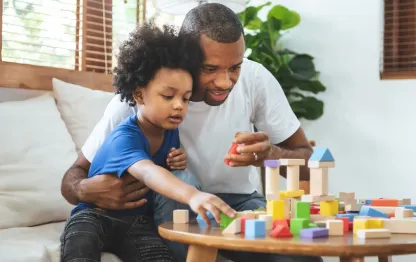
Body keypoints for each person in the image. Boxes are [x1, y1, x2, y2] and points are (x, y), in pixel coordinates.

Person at [61, 3, 321, 262]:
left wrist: (270, 155)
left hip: (239, 204)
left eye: (234, 67)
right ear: (187, 57)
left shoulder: (255, 79)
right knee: (181, 182)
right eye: (210, 69)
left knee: (303, 257)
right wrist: (86, 190)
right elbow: (74, 177)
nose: (225, 82)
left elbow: (309, 164)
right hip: (176, 207)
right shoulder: (143, 99)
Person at [59, 22, 235, 262]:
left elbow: (160, 168)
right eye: (168, 96)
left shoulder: (170, 129)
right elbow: (147, 171)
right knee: (81, 248)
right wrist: (192, 195)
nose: (178, 106)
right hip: (94, 216)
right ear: (139, 94)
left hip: (136, 223)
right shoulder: (125, 137)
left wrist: (176, 160)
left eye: (185, 98)